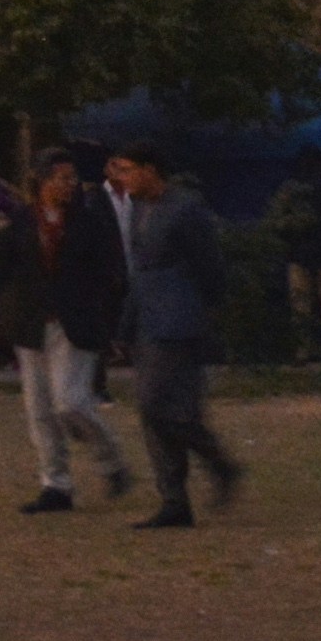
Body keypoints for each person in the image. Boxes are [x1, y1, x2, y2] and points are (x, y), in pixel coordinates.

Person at [109, 133, 241, 525]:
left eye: (127, 170)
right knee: (156, 412)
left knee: (160, 406)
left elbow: (210, 267)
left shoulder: (184, 210)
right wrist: (125, 326)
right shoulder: (138, 210)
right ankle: (175, 499)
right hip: (149, 321)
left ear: (150, 170)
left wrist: (205, 313)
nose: (122, 178)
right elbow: (140, 273)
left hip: (179, 320)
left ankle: (215, 463)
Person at [9, 152, 131, 513]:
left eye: (72, 178)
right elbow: (5, 269)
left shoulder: (86, 222)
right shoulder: (25, 220)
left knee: (70, 402)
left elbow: (107, 272)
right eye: (62, 178)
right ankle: (56, 485)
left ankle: (111, 459)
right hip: (33, 323)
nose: (69, 185)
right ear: (42, 181)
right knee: (40, 410)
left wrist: (104, 318)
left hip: (73, 323)